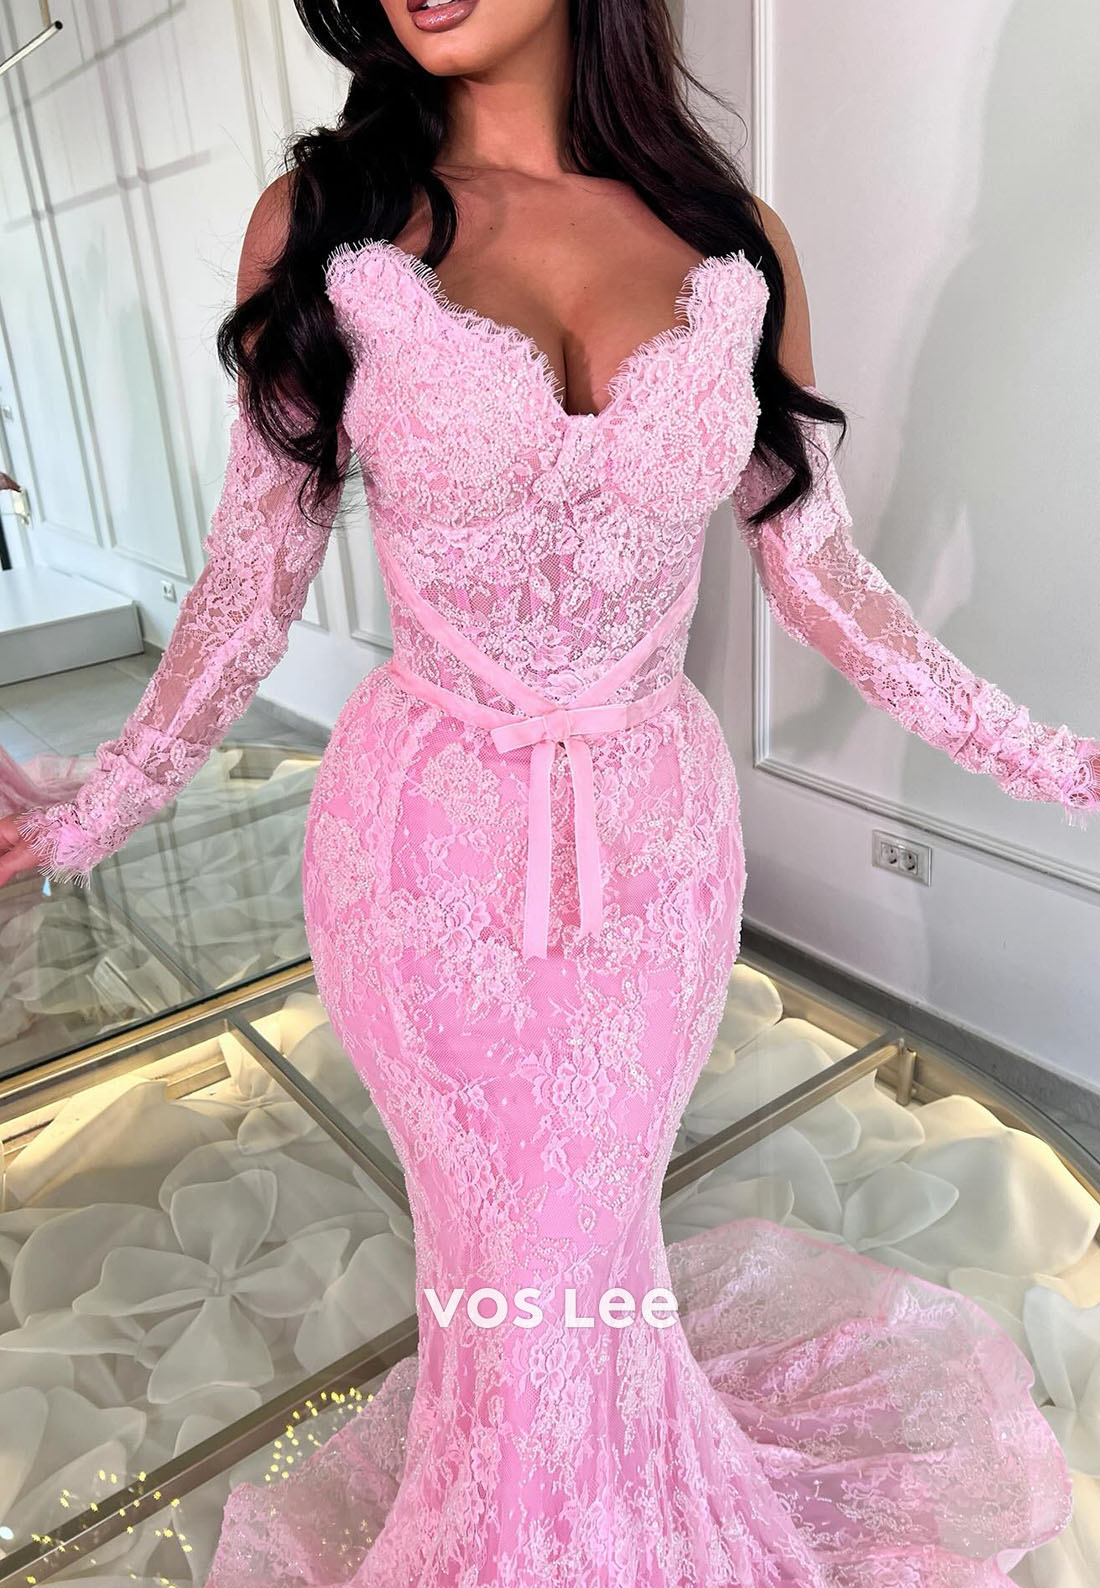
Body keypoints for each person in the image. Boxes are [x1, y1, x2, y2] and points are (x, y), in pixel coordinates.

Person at [0, 0, 1092, 1581]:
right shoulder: (327, 224)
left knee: (591, 1234)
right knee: (509, 1256)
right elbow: (247, 585)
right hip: (426, 862)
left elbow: (824, 575)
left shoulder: (734, 244)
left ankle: (608, 1507)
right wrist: (89, 809)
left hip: (656, 858)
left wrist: (1060, 763)